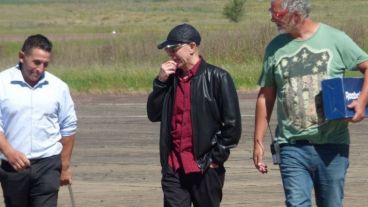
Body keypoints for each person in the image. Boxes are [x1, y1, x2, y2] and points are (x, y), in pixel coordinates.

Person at [252, 0, 368, 206]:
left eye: (277, 14)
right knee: (296, 203)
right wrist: (258, 142)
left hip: (333, 145)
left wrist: (361, 102)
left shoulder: (335, 39)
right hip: (291, 146)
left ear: (296, 14)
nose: (272, 18)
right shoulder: (274, 48)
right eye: (271, 12)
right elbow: (265, 96)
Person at [147, 23, 242, 207]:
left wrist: (216, 159)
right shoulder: (169, 80)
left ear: (192, 47)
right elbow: (153, 114)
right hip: (174, 167)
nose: (171, 55)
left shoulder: (218, 77)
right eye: (168, 51)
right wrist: (160, 82)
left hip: (205, 167)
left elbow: (232, 125)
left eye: (174, 49)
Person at [0, 34, 78, 207]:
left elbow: (68, 127)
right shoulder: (2, 83)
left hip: (48, 164)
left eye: (45, 64)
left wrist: (64, 166)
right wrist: (9, 152)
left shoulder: (58, 87)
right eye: (36, 62)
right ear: (22, 57)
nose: (40, 69)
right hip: (13, 166)